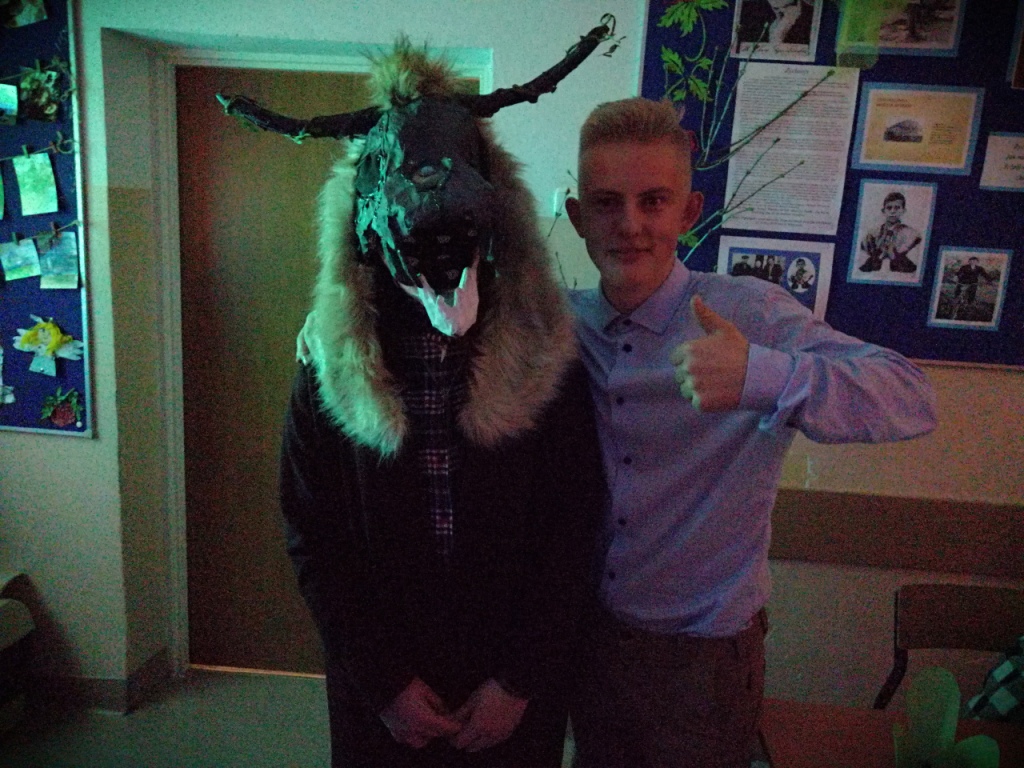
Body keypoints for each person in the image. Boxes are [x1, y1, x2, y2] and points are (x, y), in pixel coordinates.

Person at [562, 97, 937, 768]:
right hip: (589, 645)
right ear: (577, 216)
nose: (630, 225)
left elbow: (911, 396)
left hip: (703, 662)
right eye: (607, 203)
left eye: (654, 201)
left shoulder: (749, 312)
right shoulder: (558, 324)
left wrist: (764, 375)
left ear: (688, 212)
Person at [280, 73, 607, 765]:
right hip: (383, 699)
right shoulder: (333, 361)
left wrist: (519, 680)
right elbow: (313, 530)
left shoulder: (543, 348)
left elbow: (575, 523)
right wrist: (381, 681)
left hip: (512, 698)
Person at [859, 191, 921, 275]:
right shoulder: (872, 234)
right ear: (883, 211)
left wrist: (894, 255)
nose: (892, 211)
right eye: (889, 208)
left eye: (897, 208)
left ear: (903, 211)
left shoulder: (911, 234)